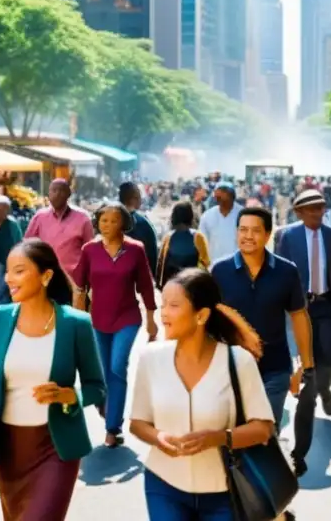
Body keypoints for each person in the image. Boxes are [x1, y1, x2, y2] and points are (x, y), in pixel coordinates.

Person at [0, 239, 105, 520]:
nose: (9, 278)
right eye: (7, 271)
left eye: (19, 271)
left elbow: (97, 387)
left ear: (46, 276)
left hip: (55, 447)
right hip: (8, 451)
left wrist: (72, 396)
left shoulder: (75, 324)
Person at [129, 268, 276, 520]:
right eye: (162, 305)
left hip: (225, 491)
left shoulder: (238, 361)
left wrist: (218, 438)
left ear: (202, 315)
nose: (163, 313)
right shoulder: (150, 358)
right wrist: (158, 437)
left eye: (173, 306)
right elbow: (137, 423)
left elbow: (263, 428)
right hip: (163, 485)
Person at [210, 207, 315, 457]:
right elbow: (209, 320)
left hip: (275, 368)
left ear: (268, 234)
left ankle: (263, 490)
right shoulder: (219, 271)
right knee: (233, 436)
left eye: (256, 231)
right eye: (243, 230)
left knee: (265, 432)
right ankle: (235, 491)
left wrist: (306, 364)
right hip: (230, 369)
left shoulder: (286, 271)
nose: (248, 236)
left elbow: (299, 317)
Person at [274, 189, 331, 476]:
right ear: (299, 213)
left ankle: (325, 386)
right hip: (298, 309)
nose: (317, 213)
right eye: (311, 209)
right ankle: (312, 392)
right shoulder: (286, 236)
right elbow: (279, 270)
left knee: (328, 357)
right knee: (307, 367)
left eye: (320, 208)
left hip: (326, 306)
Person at [72, 203, 158, 447]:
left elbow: (145, 286)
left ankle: (113, 427)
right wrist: (77, 319)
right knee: (103, 372)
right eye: (103, 220)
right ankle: (106, 403)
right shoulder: (90, 250)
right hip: (98, 319)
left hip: (127, 319)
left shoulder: (135, 250)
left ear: (124, 224)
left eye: (113, 220)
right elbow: (80, 286)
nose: (107, 225)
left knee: (117, 367)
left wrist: (152, 320)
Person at [24, 178, 95, 277]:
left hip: (74, 279)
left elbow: (90, 250)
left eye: (61, 190)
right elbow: (27, 245)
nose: (57, 194)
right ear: (48, 194)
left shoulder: (83, 218)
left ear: (68, 194)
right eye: (54, 190)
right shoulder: (39, 217)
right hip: (46, 277)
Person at [156, 200, 211, 287]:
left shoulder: (168, 238)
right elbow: (206, 263)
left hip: (172, 287)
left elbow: (161, 265)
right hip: (193, 286)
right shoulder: (198, 237)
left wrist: (160, 286)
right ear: (191, 216)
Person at [0, 195, 24, 307]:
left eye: (1, 209)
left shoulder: (11, 224)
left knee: (1, 292)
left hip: (5, 264)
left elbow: (17, 244)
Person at [119, 181, 159, 276]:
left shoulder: (107, 222)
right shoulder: (144, 224)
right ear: (134, 199)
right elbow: (152, 256)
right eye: (139, 196)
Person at [199, 182, 242, 262]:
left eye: (224, 193)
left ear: (232, 196)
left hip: (238, 264)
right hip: (213, 264)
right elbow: (202, 242)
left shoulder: (243, 214)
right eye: (217, 195)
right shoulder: (207, 216)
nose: (219, 197)